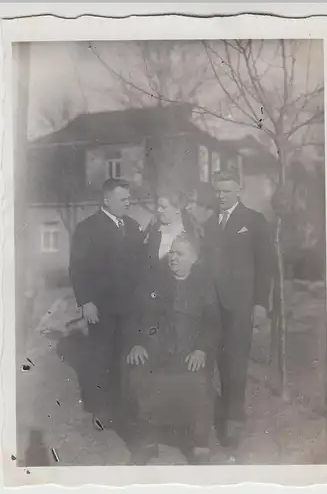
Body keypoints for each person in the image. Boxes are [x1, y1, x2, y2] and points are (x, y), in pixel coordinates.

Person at [123, 233, 220, 465]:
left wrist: (202, 350)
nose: (173, 258)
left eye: (180, 254)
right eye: (172, 253)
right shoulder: (153, 281)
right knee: (140, 375)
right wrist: (135, 343)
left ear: (194, 259)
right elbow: (132, 317)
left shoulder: (203, 284)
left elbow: (213, 323)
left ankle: (200, 446)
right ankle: (147, 443)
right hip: (157, 351)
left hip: (190, 352)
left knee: (199, 384)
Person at [69, 178, 145, 429]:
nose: (129, 203)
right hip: (101, 308)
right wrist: (86, 302)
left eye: (129, 198)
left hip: (131, 307)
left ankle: (125, 407)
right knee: (102, 358)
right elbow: (78, 269)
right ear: (107, 200)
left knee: (127, 356)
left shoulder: (133, 227)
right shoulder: (87, 228)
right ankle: (100, 409)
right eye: (123, 199)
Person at [213, 171, 273, 448]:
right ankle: (221, 411)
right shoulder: (210, 222)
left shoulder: (254, 220)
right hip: (213, 306)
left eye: (227, 191)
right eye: (218, 191)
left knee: (236, 363)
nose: (222, 196)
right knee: (219, 362)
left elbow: (264, 266)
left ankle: (234, 420)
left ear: (239, 191)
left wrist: (260, 303)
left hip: (241, 305)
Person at [145, 189, 199, 273]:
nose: (159, 210)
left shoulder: (191, 232)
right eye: (158, 206)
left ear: (178, 208)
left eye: (163, 207)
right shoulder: (154, 231)